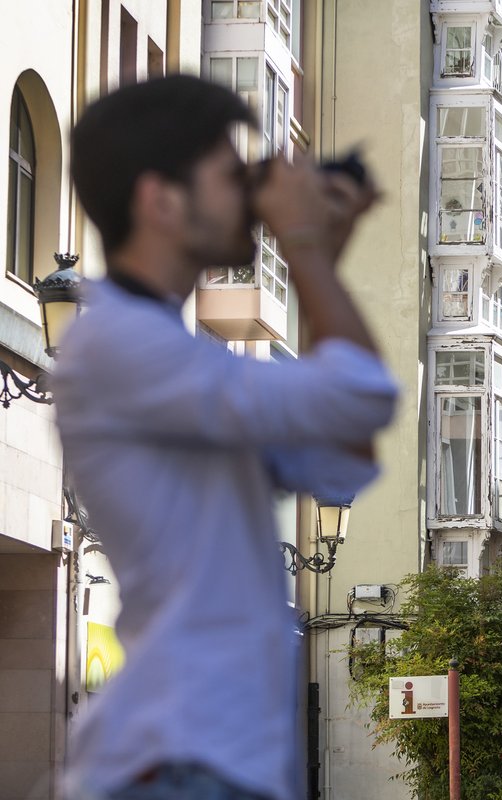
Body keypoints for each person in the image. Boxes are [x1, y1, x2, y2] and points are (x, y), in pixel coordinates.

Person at [54, 75, 397, 799]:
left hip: (208, 762)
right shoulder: (116, 343)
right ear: (160, 200)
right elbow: (364, 395)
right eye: (230, 174)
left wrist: (317, 258)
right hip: (178, 761)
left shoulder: (175, 355)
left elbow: (347, 456)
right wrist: (303, 246)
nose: (251, 192)